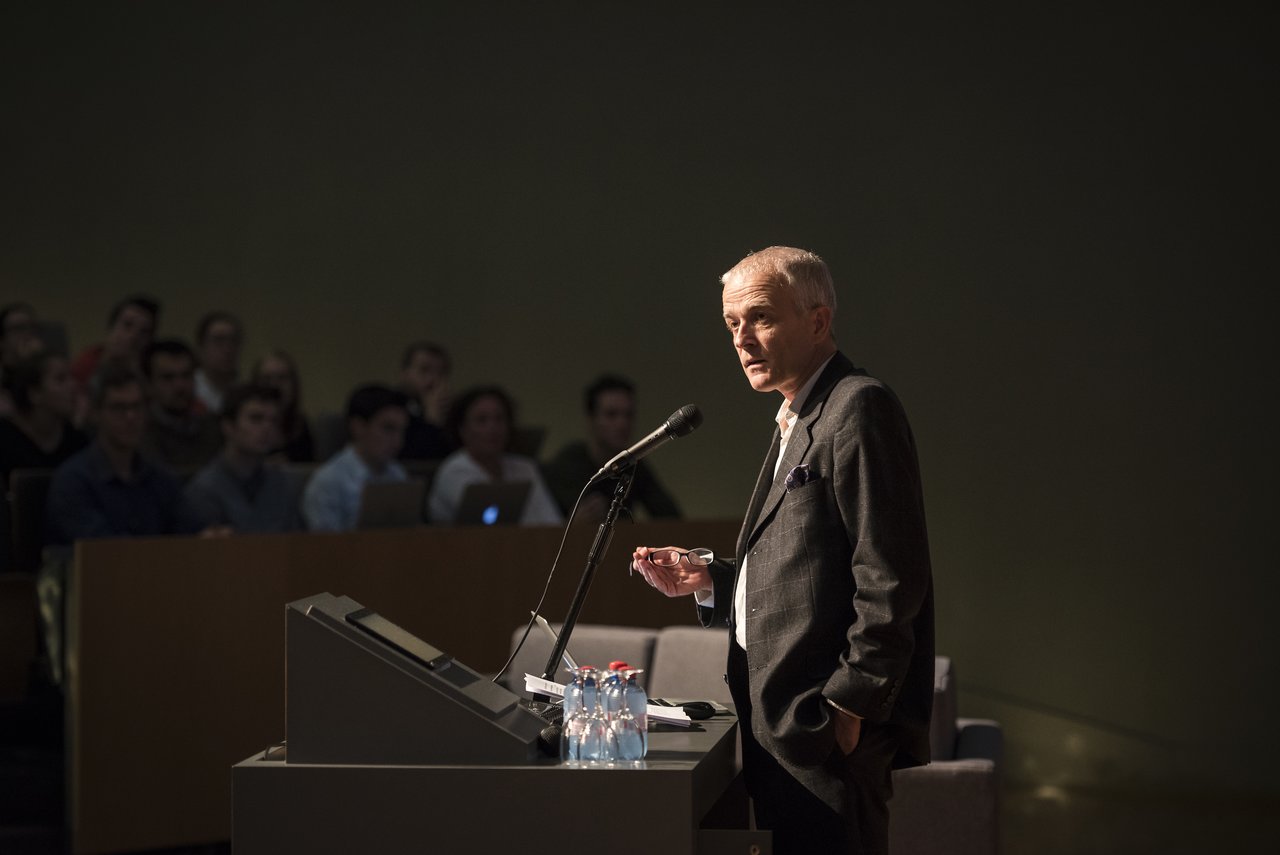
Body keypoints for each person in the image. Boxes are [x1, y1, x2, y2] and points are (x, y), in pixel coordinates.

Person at [630, 247, 934, 855]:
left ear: (818, 321)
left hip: (819, 728)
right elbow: (808, 566)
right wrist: (711, 580)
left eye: (760, 317)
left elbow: (890, 575)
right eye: (731, 324)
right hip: (777, 724)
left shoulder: (857, 407)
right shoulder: (796, 413)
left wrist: (848, 708)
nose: (742, 338)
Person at [45, 363, 205, 544]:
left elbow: (190, 532)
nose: (131, 417)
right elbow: (102, 551)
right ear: (96, 413)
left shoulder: (159, 477)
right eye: (118, 408)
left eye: (137, 407)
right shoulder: (73, 481)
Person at [543, 374, 682, 521]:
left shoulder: (634, 464)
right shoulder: (567, 465)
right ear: (591, 419)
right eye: (611, 415)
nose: (622, 424)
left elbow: (671, 518)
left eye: (628, 415)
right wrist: (573, 523)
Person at [427, 386, 563, 525]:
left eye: (499, 419)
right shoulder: (454, 472)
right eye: (481, 420)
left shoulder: (525, 468)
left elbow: (551, 521)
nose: (493, 428)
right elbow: (488, 525)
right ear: (462, 429)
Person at [185, 384, 303, 533]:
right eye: (256, 418)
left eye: (273, 420)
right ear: (228, 426)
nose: (267, 427)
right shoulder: (204, 490)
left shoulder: (285, 485)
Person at [301, 384, 410, 531]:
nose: (398, 441)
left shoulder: (397, 474)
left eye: (401, 431)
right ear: (358, 427)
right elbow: (325, 547)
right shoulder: (328, 482)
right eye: (388, 428)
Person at [0, 350, 88, 487]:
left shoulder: (78, 442)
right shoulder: (5, 440)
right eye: (60, 379)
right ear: (34, 393)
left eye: (71, 377)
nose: (73, 386)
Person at [139, 339, 223, 469]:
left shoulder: (213, 427)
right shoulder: (139, 432)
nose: (180, 386)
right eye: (168, 378)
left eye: (186, 375)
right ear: (149, 384)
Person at [69, 294, 160, 387]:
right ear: (112, 327)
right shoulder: (86, 364)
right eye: (127, 325)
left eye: (144, 332)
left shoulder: (152, 375)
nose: (133, 336)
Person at [251, 350, 315, 462]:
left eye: (282, 378)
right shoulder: (245, 425)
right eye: (267, 379)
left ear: (294, 385)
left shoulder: (301, 425)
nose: (274, 385)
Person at [396, 340, 453, 460]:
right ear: (405, 373)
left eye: (441, 373)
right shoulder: (390, 408)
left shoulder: (451, 410)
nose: (433, 379)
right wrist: (431, 420)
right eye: (424, 370)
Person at [193, 311, 243, 414]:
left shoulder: (243, 392)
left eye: (233, 341)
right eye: (218, 340)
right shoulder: (189, 390)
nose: (228, 349)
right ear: (201, 347)